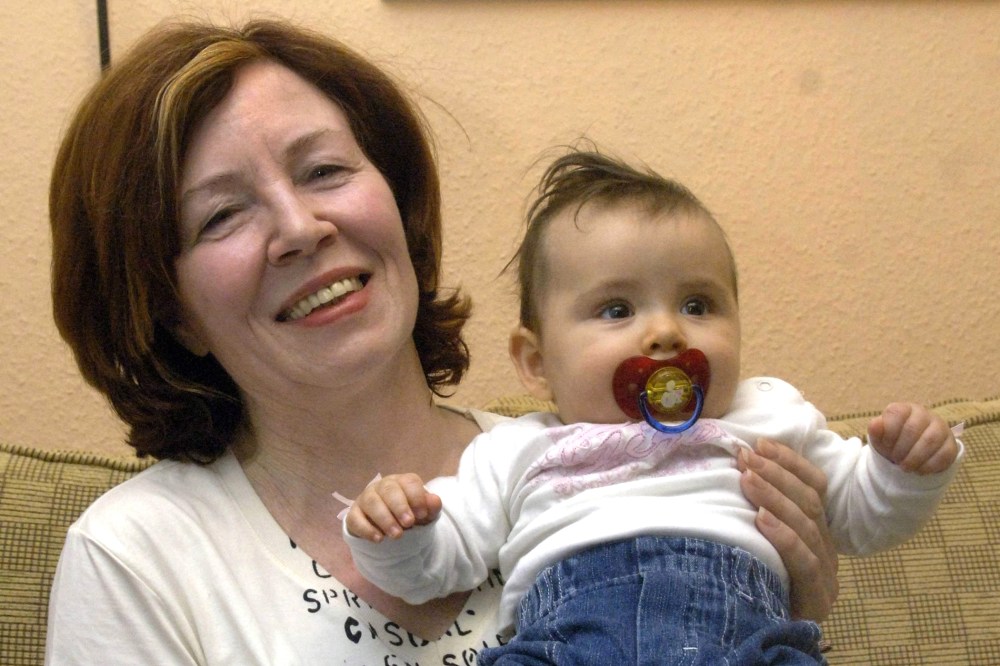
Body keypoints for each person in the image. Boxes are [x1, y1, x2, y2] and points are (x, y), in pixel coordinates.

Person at [45, 17, 841, 665]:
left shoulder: (600, 456)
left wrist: (790, 601)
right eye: (222, 215)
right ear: (169, 307)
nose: (301, 228)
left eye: (324, 170)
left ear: (396, 201)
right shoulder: (135, 559)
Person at [344, 148, 963, 664]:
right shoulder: (514, 449)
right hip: (562, 646)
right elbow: (439, 560)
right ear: (536, 364)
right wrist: (395, 529)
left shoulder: (767, 414)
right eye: (617, 310)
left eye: (698, 305)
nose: (667, 332)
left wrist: (902, 466)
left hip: (747, 640)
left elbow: (859, 514)